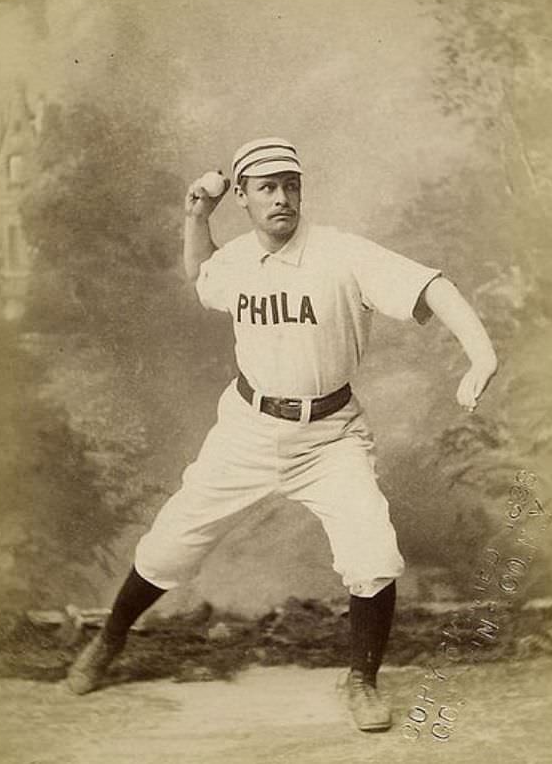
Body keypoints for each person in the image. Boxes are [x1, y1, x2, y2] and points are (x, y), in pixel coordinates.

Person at [66, 137, 497, 732]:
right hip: (247, 428)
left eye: (291, 184)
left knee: (373, 553)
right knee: (170, 543)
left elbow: (433, 287)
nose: (282, 197)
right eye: (266, 187)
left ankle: (363, 681)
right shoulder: (239, 258)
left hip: (331, 436)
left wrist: (481, 356)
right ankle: (108, 640)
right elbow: (203, 274)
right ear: (241, 196)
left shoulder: (341, 253)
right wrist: (195, 217)